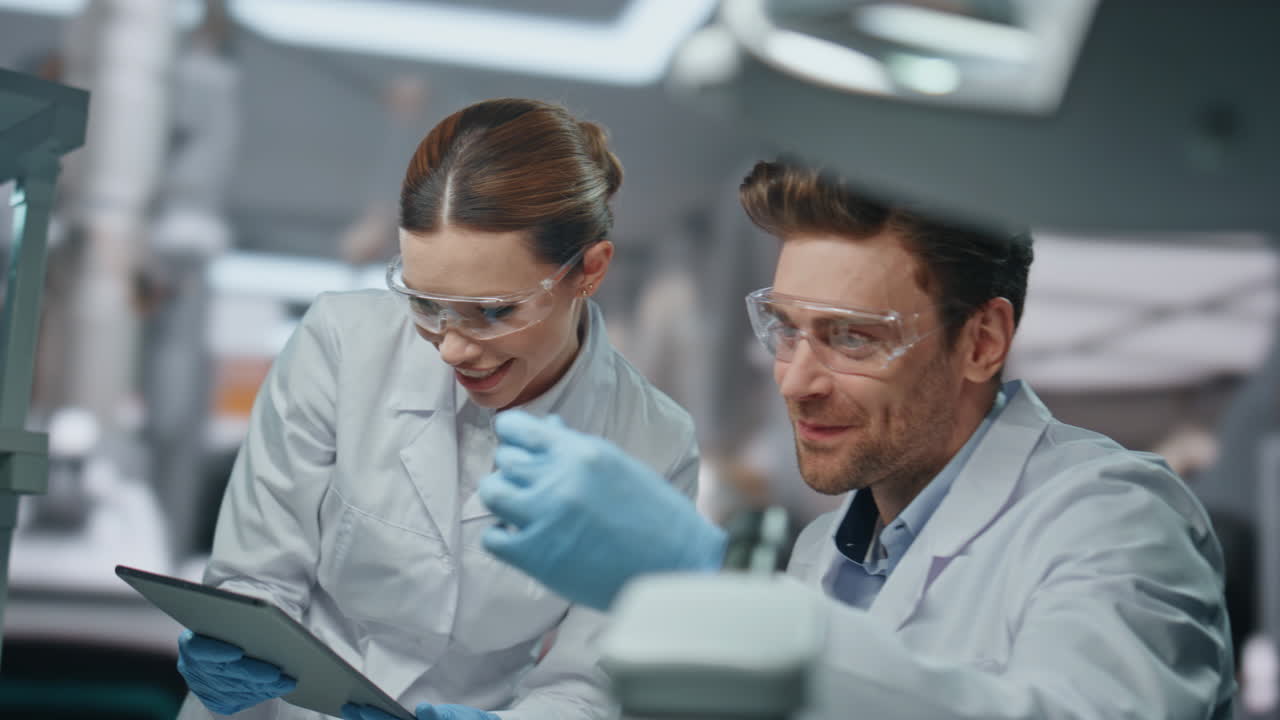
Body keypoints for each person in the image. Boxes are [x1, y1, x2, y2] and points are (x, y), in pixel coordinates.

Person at [475, 159, 1236, 718]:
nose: (795, 381)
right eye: (785, 329)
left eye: (850, 338)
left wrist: (718, 594)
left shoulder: (1114, 518)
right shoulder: (824, 553)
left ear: (981, 341)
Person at [174, 98, 700, 720]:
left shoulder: (653, 445)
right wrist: (233, 642)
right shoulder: (341, 343)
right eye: (426, 303)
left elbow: (589, 680)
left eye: (495, 311)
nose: (451, 346)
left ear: (589, 270)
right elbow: (259, 579)